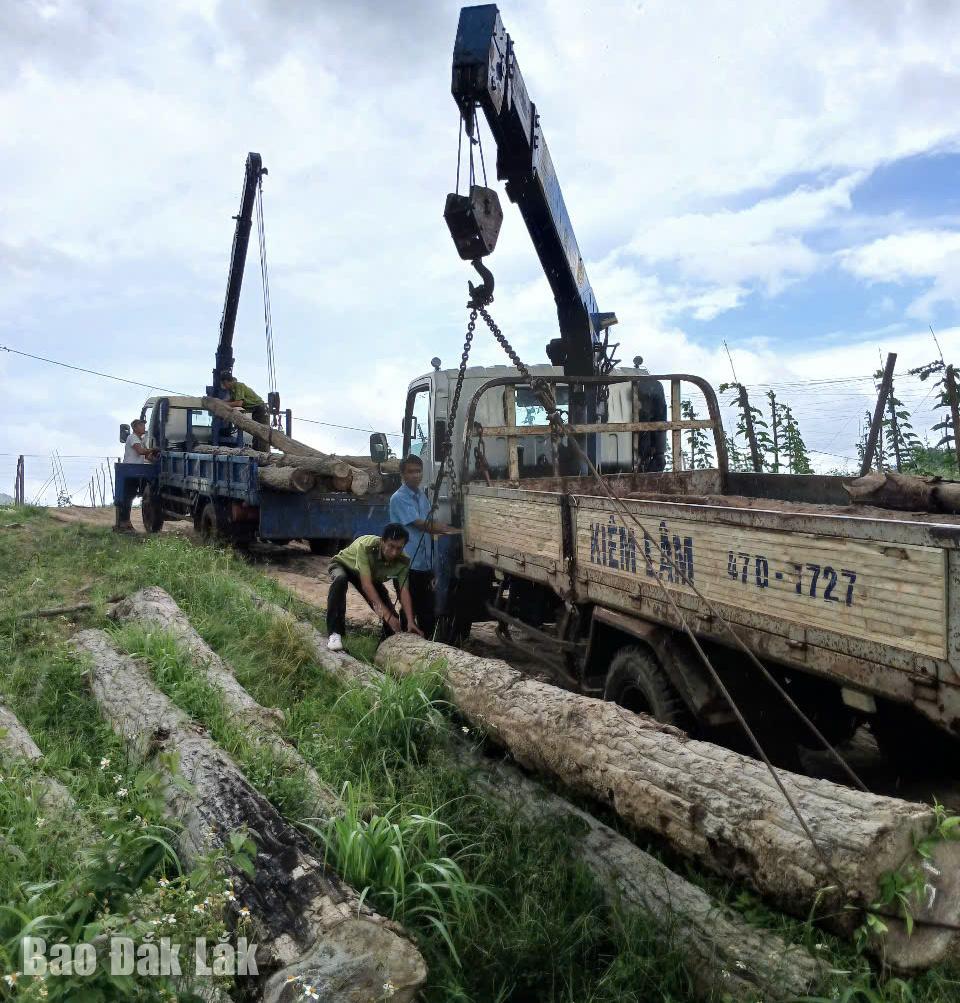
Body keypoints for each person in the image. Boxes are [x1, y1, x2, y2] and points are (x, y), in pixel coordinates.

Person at [388, 454, 459, 638]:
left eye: (418, 471)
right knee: (408, 609)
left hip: (424, 564)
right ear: (402, 474)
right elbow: (421, 524)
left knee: (427, 612)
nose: (415, 475)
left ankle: (425, 649)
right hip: (407, 565)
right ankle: (401, 646)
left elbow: (431, 521)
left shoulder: (422, 497)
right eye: (411, 472)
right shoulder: (399, 498)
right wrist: (449, 530)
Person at [326, 524, 423, 652]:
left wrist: (411, 621)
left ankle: (384, 652)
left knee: (392, 618)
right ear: (382, 541)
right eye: (391, 546)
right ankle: (335, 634)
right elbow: (366, 585)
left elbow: (404, 591)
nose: (394, 553)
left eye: (399, 548)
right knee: (340, 580)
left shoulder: (403, 561)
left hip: (370, 577)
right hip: (344, 565)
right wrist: (387, 616)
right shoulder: (367, 547)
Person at [115, 418, 158, 531]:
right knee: (127, 497)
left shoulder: (140, 439)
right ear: (135, 428)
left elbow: (145, 456)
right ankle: (123, 523)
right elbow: (141, 451)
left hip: (136, 471)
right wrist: (153, 449)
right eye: (141, 425)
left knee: (131, 496)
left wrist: (155, 460)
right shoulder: (132, 437)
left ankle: (126, 522)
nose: (144, 427)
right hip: (130, 471)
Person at [220, 373, 269, 451]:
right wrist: (219, 401)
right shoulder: (232, 390)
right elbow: (230, 400)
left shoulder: (238, 386)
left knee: (262, 433)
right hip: (256, 411)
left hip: (261, 410)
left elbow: (239, 403)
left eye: (224, 384)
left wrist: (223, 404)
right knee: (256, 433)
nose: (224, 386)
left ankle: (263, 456)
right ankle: (256, 454)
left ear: (228, 381)